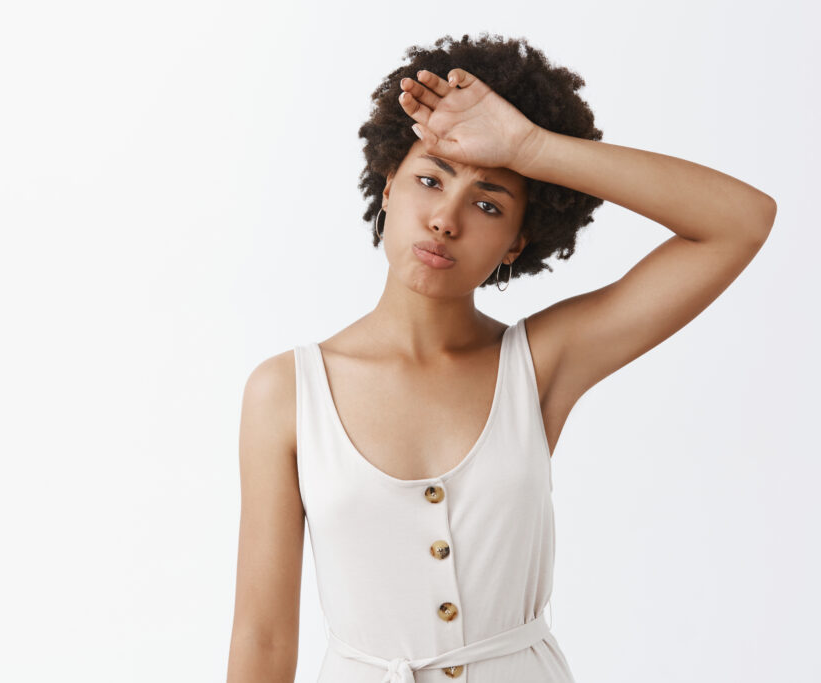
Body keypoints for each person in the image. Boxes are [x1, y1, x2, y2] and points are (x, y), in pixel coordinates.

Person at [226, 33, 776, 683]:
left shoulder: (538, 364)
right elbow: (262, 638)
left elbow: (741, 221)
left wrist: (530, 149)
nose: (446, 219)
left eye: (488, 203)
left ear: (517, 242)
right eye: (430, 179)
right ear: (388, 183)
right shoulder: (287, 392)